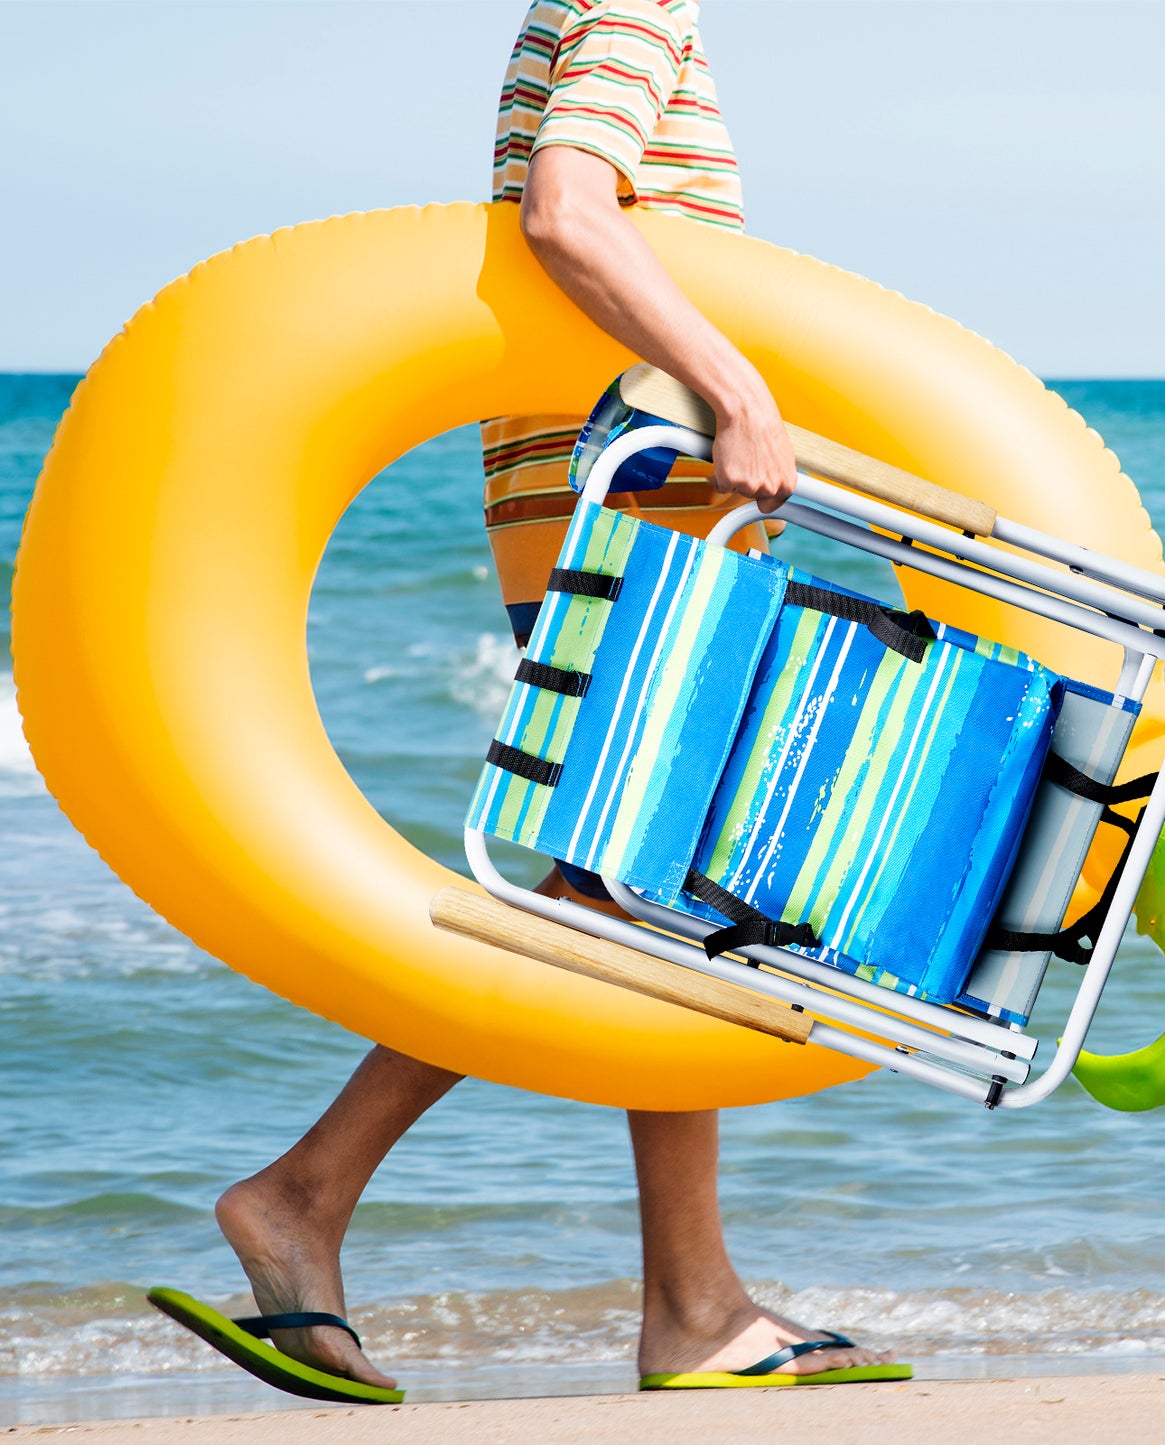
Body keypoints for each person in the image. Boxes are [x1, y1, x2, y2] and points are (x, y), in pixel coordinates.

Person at [216, 0, 902, 1391]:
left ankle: (688, 1300)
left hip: (612, 493)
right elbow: (567, 214)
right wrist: (737, 391)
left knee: (641, 887)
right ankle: (307, 1195)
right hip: (637, 498)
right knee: (629, 883)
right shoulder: (629, 2)